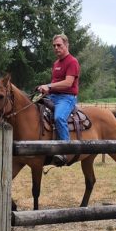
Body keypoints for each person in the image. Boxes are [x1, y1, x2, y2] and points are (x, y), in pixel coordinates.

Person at [37, 33, 80, 166]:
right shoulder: (56, 63)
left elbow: (68, 83)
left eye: (59, 45)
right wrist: (45, 90)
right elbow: (55, 82)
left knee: (59, 118)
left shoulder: (72, 62)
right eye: (54, 46)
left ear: (66, 45)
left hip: (67, 98)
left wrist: (48, 86)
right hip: (53, 96)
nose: (56, 48)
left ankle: (65, 152)